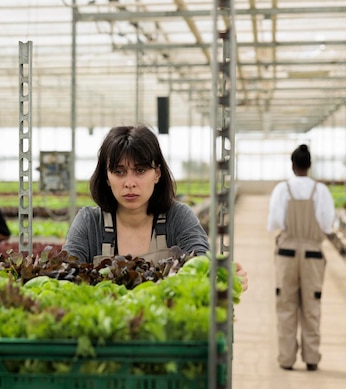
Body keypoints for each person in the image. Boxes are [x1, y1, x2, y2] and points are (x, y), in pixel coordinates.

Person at [62, 124, 248, 281]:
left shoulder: (178, 218)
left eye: (140, 170)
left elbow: (201, 262)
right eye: (119, 172)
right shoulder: (89, 223)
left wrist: (223, 276)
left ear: (157, 174)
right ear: (107, 177)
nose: (129, 183)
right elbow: (65, 275)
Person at [267, 144, 335, 372]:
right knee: (311, 305)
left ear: (292, 164)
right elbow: (327, 224)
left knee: (286, 304)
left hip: (287, 253)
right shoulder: (321, 191)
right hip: (313, 255)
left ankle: (286, 359)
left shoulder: (282, 189)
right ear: (309, 165)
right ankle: (312, 357)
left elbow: (274, 223)